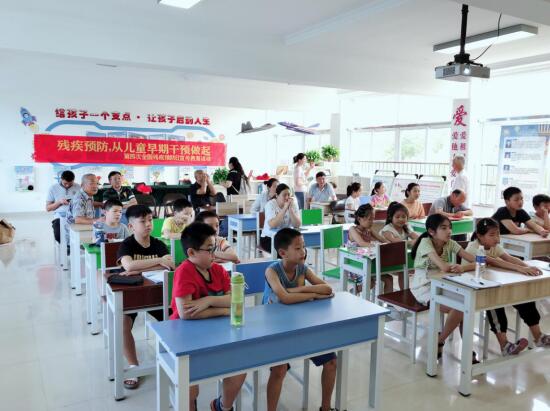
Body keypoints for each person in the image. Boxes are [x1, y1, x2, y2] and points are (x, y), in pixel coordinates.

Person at [170, 222, 246, 411]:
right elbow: (186, 314)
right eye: (210, 249)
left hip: (218, 332)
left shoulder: (218, 270)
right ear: (191, 253)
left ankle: (222, 407)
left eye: (215, 248)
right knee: (190, 389)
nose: (215, 254)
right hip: (184, 337)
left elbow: (235, 300)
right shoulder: (184, 271)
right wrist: (223, 310)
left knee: (240, 369)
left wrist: (208, 300)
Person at [262, 228, 336, 411]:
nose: (303, 251)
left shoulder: (303, 268)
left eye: (303, 246)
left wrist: (297, 291)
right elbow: (285, 299)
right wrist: (313, 295)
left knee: (331, 361)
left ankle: (326, 408)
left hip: (302, 326)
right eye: (298, 248)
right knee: (279, 370)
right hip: (276, 329)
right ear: (282, 253)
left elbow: (327, 289)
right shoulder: (272, 271)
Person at [463, 218, 550, 355]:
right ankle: (504, 345)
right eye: (492, 235)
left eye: (498, 234)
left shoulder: (494, 246)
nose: (496, 238)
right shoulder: (473, 248)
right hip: (474, 290)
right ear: (479, 236)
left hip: (491, 285)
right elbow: (494, 262)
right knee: (494, 304)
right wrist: (520, 269)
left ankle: (538, 336)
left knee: (524, 298)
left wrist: (527, 267)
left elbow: (509, 258)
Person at [117, 205, 176, 389]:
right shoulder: (126, 245)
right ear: (131, 226)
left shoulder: (158, 243)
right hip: (132, 295)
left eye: (150, 220)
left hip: (157, 295)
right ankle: (134, 366)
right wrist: (158, 261)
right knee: (123, 323)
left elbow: (171, 264)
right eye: (142, 221)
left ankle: (174, 359)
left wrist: (139, 268)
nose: (148, 224)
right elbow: (128, 266)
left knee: (176, 318)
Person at [410, 214, 477, 361]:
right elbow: (444, 267)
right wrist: (460, 267)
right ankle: (465, 351)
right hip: (424, 286)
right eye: (444, 228)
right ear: (432, 231)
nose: (449, 231)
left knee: (465, 306)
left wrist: (464, 267)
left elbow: (476, 260)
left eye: (450, 228)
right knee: (461, 308)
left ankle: (441, 340)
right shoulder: (425, 242)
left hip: (443, 283)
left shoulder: (450, 243)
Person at [347, 204, 392, 293]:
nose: (372, 222)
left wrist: (389, 244)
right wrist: (378, 246)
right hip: (355, 263)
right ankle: (353, 292)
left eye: (373, 219)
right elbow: (361, 243)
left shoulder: (369, 230)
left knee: (389, 279)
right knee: (370, 283)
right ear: (359, 219)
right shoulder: (353, 229)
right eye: (369, 219)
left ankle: (388, 301)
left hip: (368, 262)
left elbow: (382, 239)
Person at [260, 184, 301, 253]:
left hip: (286, 238)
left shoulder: (293, 204)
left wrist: (290, 209)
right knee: (287, 252)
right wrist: (285, 208)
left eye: (289, 195)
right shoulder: (270, 205)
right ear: (277, 195)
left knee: (301, 251)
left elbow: (297, 225)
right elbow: (273, 225)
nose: (287, 197)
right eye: (284, 195)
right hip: (269, 238)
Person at [46, 170, 80, 243]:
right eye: (65, 183)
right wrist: (59, 202)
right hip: (59, 216)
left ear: (73, 180)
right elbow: (48, 208)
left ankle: (72, 247)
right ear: (61, 179)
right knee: (59, 236)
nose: (67, 185)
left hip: (75, 216)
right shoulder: (53, 188)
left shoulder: (78, 187)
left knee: (78, 236)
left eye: (70, 184)